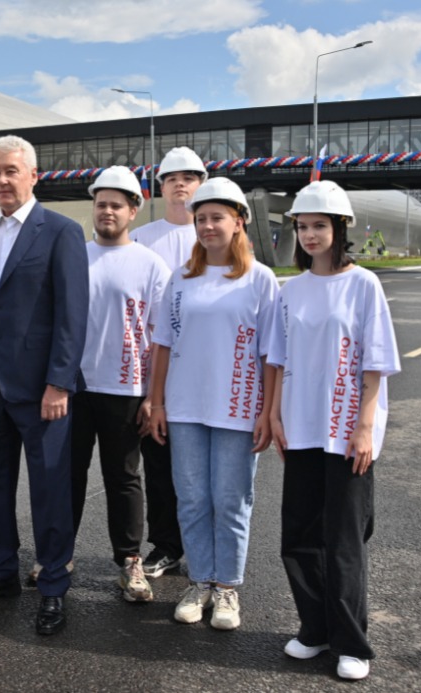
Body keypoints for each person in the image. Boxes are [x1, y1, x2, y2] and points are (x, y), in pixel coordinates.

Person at [0, 134, 88, 636]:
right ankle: (3, 572)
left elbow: (73, 314)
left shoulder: (61, 231)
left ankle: (53, 585)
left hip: (42, 391)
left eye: (11, 170)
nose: (2, 180)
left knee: (50, 491)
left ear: (33, 175)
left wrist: (59, 382)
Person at [268, 179, 401, 681]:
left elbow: (376, 362)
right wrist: (275, 415)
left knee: (344, 539)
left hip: (346, 431)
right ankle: (315, 628)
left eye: (319, 226)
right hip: (301, 427)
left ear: (340, 229)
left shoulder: (363, 285)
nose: (309, 235)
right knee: (299, 535)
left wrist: (365, 427)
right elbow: (278, 358)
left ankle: (351, 643)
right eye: (302, 226)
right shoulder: (291, 289)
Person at [144, 177, 280, 631]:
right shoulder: (182, 278)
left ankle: (226, 587)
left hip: (238, 409)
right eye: (201, 218)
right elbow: (163, 344)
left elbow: (270, 354)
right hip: (185, 408)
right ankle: (200, 581)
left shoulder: (260, 279)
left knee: (230, 500)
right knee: (192, 499)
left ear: (239, 222)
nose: (207, 226)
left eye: (217, 217)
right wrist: (156, 403)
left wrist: (268, 412)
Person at [71, 166, 171, 604]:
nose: (107, 211)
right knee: (67, 475)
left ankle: (129, 560)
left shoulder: (150, 264)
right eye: (101, 204)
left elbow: (161, 338)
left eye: (116, 205)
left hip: (127, 388)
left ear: (134, 210)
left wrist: (153, 396)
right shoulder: (74, 257)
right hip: (74, 387)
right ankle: (58, 555)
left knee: (124, 477)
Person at [128, 146, 209, 581]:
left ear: (201, 184)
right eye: (172, 178)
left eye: (189, 177)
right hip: (156, 370)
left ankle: (208, 552)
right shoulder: (143, 237)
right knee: (159, 464)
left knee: (203, 470)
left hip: (205, 370)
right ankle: (166, 546)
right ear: (160, 187)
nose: (180, 184)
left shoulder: (213, 233)